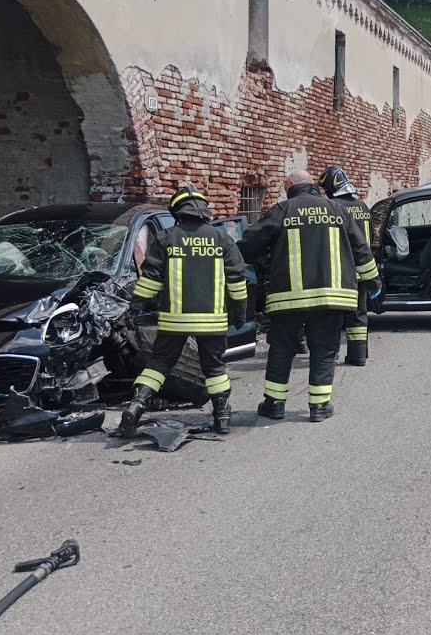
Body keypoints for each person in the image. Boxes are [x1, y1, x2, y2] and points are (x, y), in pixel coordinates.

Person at [239, 170, 380, 422]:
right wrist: (373, 282)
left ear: (292, 185)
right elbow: (362, 250)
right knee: (324, 349)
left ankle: (274, 404)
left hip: (288, 297)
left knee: (282, 349)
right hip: (331, 297)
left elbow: (251, 244)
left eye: (285, 186)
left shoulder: (283, 209)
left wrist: (235, 260)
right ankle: (319, 407)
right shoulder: (338, 210)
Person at [119, 186, 248, 437]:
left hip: (173, 322)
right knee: (214, 368)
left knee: (159, 364)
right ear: (204, 210)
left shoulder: (166, 237)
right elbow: (237, 279)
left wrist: (136, 307)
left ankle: (136, 406)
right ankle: (221, 415)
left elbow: (151, 280)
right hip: (212, 322)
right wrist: (240, 310)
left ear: (177, 211)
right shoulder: (222, 239)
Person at [319, 165, 373, 366]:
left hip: (340, 271)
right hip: (363, 270)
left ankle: (330, 354)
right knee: (359, 315)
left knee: (333, 316)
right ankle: (358, 355)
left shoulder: (334, 207)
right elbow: (371, 238)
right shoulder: (363, 206)